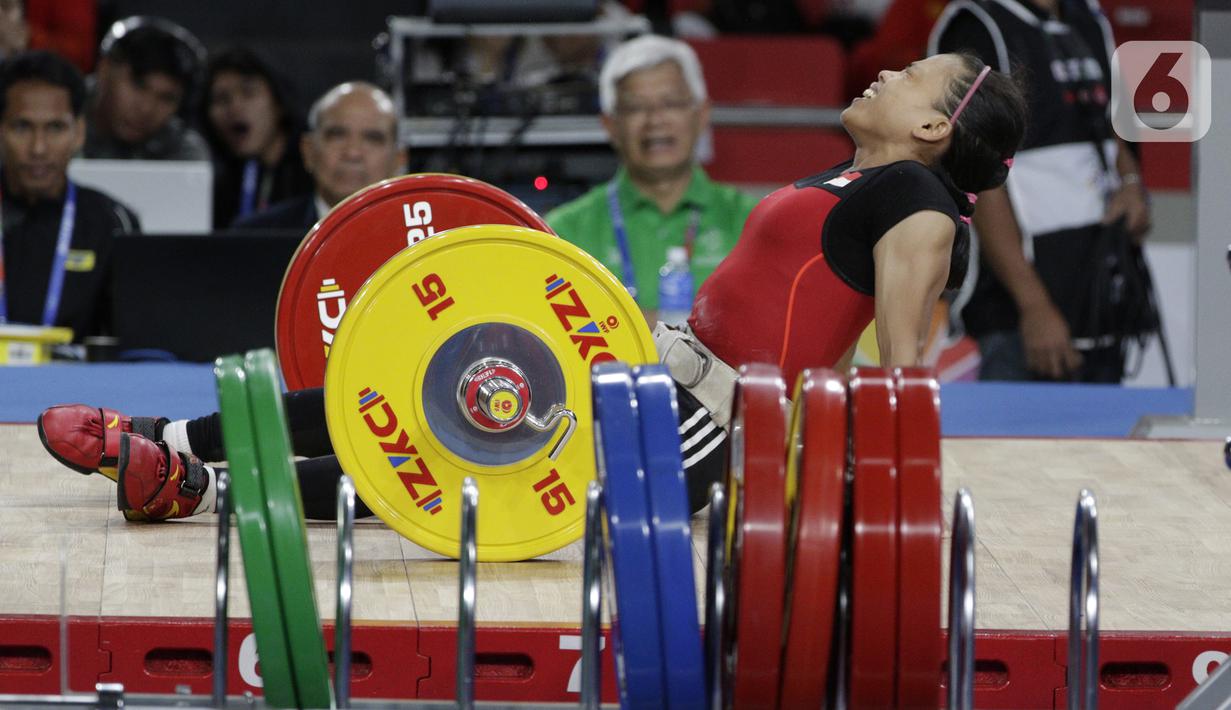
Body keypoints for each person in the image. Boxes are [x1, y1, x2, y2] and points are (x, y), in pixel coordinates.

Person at [37, 52, 1025, 519]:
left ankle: (193, 482)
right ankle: (166, 442)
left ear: (935, 127)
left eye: (910, 74)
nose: (886, 70)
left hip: (705, 422)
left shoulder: (921, 199)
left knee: (462, 460)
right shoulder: (865, 179)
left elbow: (900, 380)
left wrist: (877, 510)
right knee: (435, 395)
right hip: (662, 372)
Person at [930, 0, 1151, 382]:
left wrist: (1132, 186)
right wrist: (1034, 306)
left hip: (1098, 299)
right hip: (1015, 317)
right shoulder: (975, 25)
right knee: (1010, 439)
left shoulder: (1090, 19)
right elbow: (977, 175)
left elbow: (1115, 123)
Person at [545, 35, 759, 312]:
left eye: (671, 103)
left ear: (702, 114)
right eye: (635, 107)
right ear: (610, 125)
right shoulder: (564, 231)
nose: (655, 120)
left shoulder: (753, 223)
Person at [0, 51, 140, 341]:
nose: (38, 148)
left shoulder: (112, 222)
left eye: (55, 128)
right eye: (22, 126)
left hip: (74, 385)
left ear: (79, 133)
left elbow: (132, 343)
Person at [231, 81, 406, 233]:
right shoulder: (256, 235)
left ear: (399, 160)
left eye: (372, 138)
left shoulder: (424, 242)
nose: (353, 153)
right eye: (337, 135)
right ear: (308, 152)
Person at [202, 47, 312, 229]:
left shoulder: (314, 175)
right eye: (222, 98)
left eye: (248, 93)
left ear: (279, 103)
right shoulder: (217, 189)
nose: (234, 108)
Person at [83, 17, 209, 161]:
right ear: (104, 70)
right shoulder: (59, 110)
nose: (146, 108)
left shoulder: (182, 152)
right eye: (139, 85)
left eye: (166, 97)